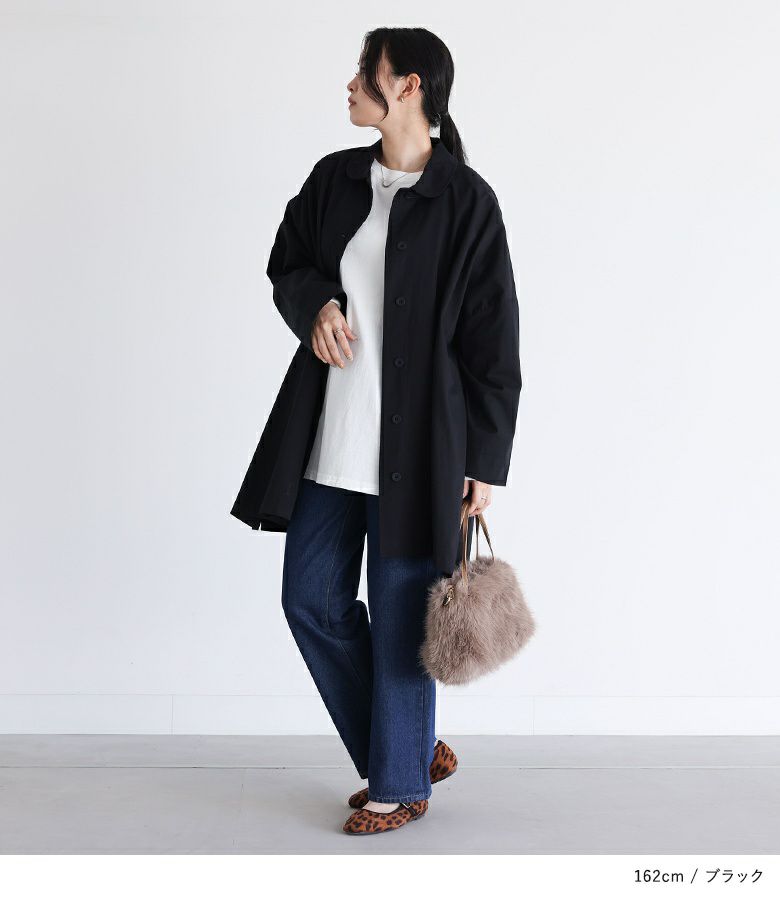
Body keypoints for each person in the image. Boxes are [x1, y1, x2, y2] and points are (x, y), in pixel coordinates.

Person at [230, 26, 522, 835]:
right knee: (310, 600)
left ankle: (399, 786)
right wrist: (316, 305)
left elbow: (494, 341)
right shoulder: (334, 180)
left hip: (422, 453)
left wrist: (485, 459)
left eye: (368, 72)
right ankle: (410, 748)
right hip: (331, 440)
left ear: (410, 87)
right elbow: (287, 262)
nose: (352, 84)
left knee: (400, 620)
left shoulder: (466, 202)